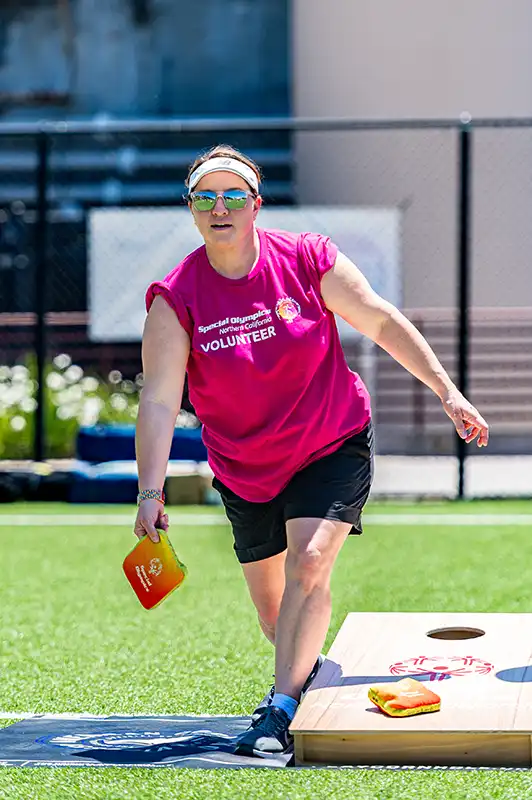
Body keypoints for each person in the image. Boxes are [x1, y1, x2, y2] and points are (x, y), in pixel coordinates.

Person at [133, 144, 489, 758]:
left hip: (330, 440)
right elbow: (160, 401)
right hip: (244, 469)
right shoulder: (176, 296)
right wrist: (149, 491)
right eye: (206, 196)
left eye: (234, 195)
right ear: (192, 210)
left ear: (256, 204)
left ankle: (278, 711)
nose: (221, 207)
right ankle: (308, 676)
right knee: (280, 623)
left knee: (311, 561)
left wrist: (448, 392)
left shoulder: (305, 258)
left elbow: (378, 320)